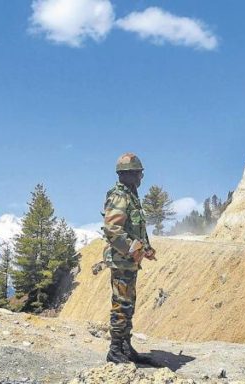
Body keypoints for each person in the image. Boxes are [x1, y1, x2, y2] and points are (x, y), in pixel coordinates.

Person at [101, 152, 157, 364]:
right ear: (128, 174)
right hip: (121, 260)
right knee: (121, 304)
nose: (141, 177)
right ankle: (114, 350)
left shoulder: (132, 196)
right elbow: (112, 229)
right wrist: (133, 249)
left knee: (128, 304)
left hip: (130, 261)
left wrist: (147, 248)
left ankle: (125, 346)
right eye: (139, 174)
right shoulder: (119, 196)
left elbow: (137, 228)